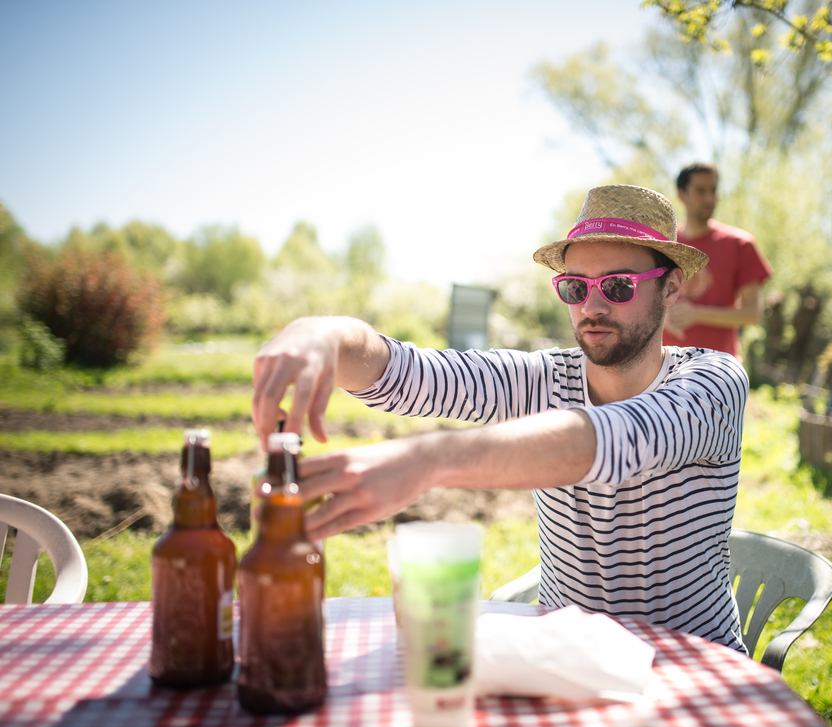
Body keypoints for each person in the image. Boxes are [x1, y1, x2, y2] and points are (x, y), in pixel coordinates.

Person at [251, 184, 751, 652]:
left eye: (618, 286)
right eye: (575, 288)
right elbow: (406, 373)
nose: (592, 306)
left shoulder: (714, 382)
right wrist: (323, 334)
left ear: (670, 290)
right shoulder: (543, 379)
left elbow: (612, 440)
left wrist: (428, 460)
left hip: (692, 666)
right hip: (568, 664)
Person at [663, 162, 772, 359]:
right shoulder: (664, 244)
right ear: (681, 194)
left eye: (713, 190)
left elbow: (752, 313)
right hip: (661, 366)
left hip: (716, 369)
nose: (710, 199)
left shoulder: (740, 244)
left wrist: (696, 313)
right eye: (700, 191)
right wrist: (663, 319)